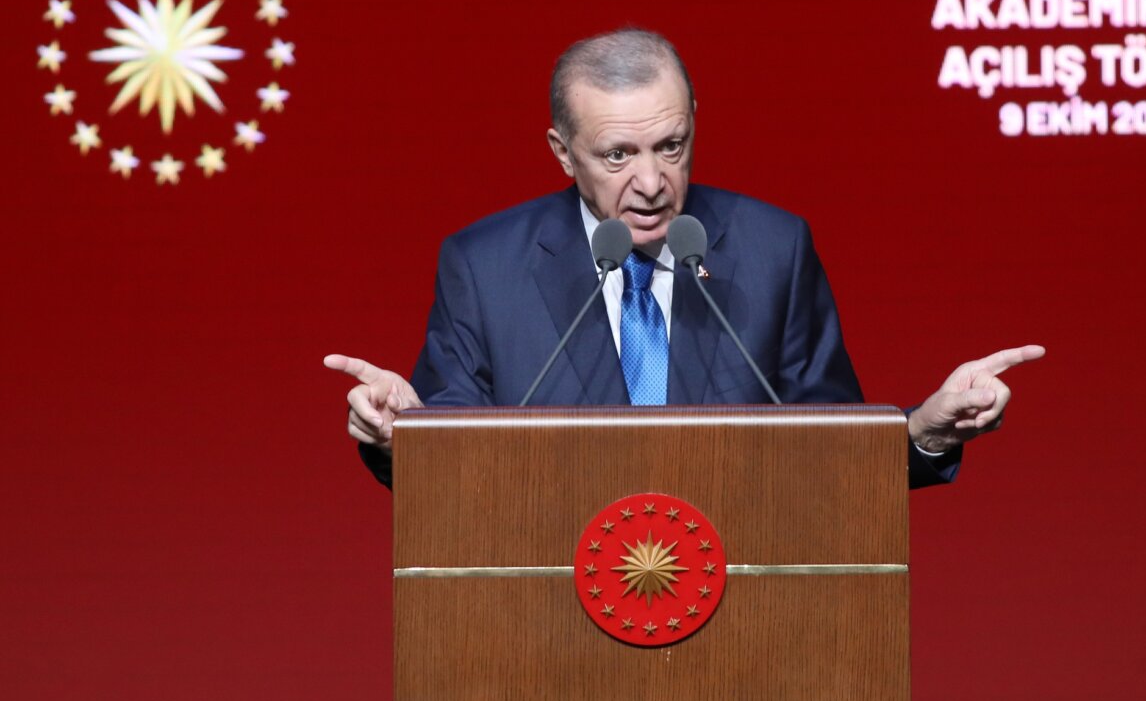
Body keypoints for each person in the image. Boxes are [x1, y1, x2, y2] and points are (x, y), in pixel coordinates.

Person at [324, 28, 1044, 488]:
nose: (650, 181)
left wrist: (922, 431)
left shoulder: (772, 248)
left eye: (670, 146)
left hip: (746, 629)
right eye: (617, 154)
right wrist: (403, 436)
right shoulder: (484, 266)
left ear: (694, 120)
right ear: (562, 153)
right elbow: (448, 450)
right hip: (552, 636)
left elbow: (831, 450)